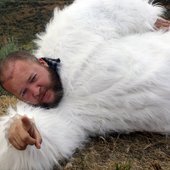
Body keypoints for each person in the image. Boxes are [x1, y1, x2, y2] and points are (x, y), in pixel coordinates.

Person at [1, 0, 170, 169]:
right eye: (24, 92)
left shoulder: (65, 35)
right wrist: (13, 133)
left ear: (42, 62)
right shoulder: (54, 115)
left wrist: (147, 18)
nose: (35, 91)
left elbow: (100, 8)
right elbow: (39, 137)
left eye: (33, 79)